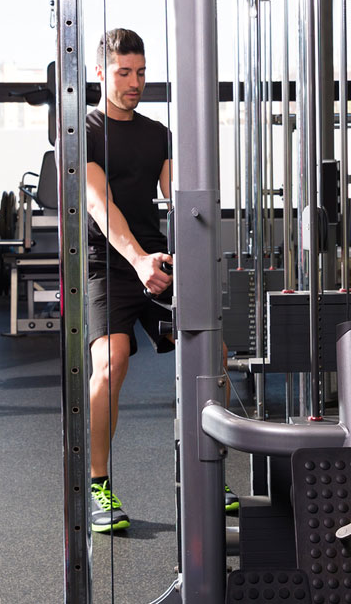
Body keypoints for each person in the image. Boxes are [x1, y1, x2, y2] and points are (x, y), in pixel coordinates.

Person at [83, 28, 238, 534]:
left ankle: (208, 470)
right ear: (100, 72)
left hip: (157, 257)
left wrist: (194, 250)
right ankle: (98, 484)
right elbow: (99, 205)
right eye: (124, 72)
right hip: (108, 262)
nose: (135, 82)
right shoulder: (83, 131)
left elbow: (178, 199)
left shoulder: (157, 133)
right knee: (111, 362)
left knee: (211, 354)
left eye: (142, 72)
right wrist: (137, 261)